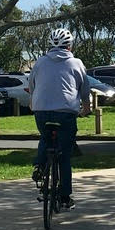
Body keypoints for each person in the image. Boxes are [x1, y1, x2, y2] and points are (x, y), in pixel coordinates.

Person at [28, 28, 90, 209]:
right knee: (64, 155)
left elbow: (32, 85)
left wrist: (34, 103)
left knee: (45, 137)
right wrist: (85, 109)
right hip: (66, 112)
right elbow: (84, 90)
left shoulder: (40, 62)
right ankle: (64, 197)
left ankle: (39, 165)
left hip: (41, 111)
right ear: (69, 46)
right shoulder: (76, 63)